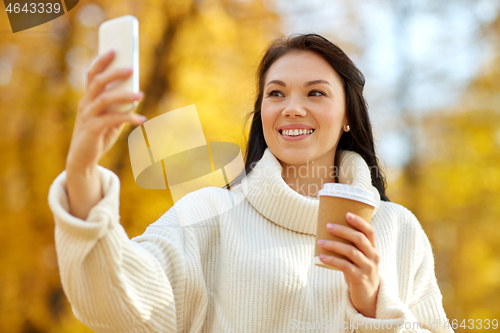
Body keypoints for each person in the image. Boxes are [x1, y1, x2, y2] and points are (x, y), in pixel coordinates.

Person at [48, 33, 454, 332]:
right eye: (276, 94)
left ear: (348, 114)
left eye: (315, 93)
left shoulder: (398, 231)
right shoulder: (207, 215)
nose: (292, 108)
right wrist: (83, 169)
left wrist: (373, 305)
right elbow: (120, 302)